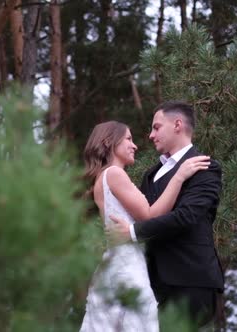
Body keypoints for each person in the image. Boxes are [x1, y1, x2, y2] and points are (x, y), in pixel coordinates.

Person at [79, 120, 210, 332]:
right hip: (127, 266)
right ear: (108, 142)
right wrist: (179, 176)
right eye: (129, 139)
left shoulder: (102, 178)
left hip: (114, 264)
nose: (135, 145)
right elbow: (150, 216)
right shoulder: (114, 174)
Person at [109, 101, 224, 329]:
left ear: (178, 125)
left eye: (156, 127)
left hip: (190, 281)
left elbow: (186, 217)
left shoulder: (205, 167)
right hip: (153, 284)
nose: (151, 135)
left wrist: (131, 233)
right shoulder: (151, 174)